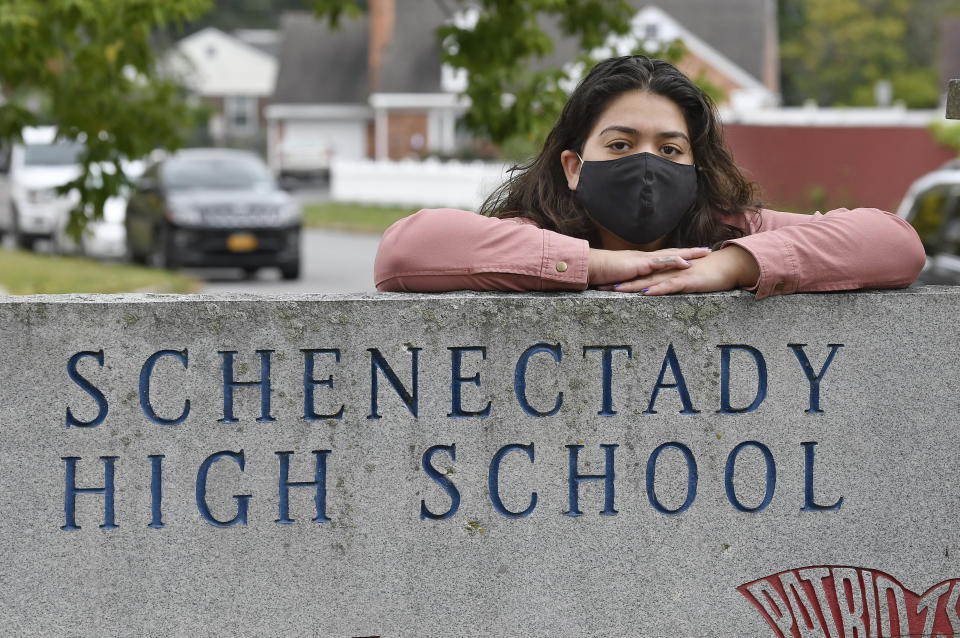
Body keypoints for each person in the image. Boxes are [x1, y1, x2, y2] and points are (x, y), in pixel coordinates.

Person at [374, 55, 925, 298]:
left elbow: (896, 245)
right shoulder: (529, 235)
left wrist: (734, 265)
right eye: (620, 144)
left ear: (695, 165)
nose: (646, 164)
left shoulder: (734, 229)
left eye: (670, 148)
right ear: (574, 166)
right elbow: (405, 251)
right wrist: (596, 265)